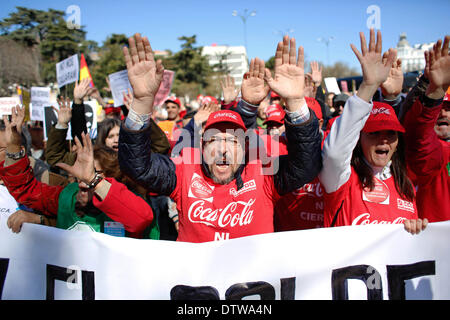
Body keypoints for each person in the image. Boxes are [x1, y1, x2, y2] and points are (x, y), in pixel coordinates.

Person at [118, 33, 322, 243]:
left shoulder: (264, 172)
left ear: (245, 148)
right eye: (214, 140)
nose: (222, 149)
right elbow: (138, 166)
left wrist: (296, 102)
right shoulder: (184, 171)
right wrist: (142, 103)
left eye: (233, 141)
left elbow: (307, 164)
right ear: (202, 146)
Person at [319, 29, 427, 235]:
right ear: (359, 139)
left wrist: (416, 231)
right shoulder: (342, 179)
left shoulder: (405, 187)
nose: (384, 139)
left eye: (391, 133)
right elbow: (334, 154)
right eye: (374, 133)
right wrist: (368, 86)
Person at [1, 108, 157, 238]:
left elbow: (141, 219)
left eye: (94, 173)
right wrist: (14, 147)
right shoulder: (68, 196)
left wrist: (92, 180)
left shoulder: (129, 202)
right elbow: (26, 191)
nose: (83, 182)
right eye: (80, 176)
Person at [402, 36, 450, 222]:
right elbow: (419, 136)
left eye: (449, 110)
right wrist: (435, 92)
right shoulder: (439, 152)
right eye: (441, 108)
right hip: (435, 244)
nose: (444, 115)